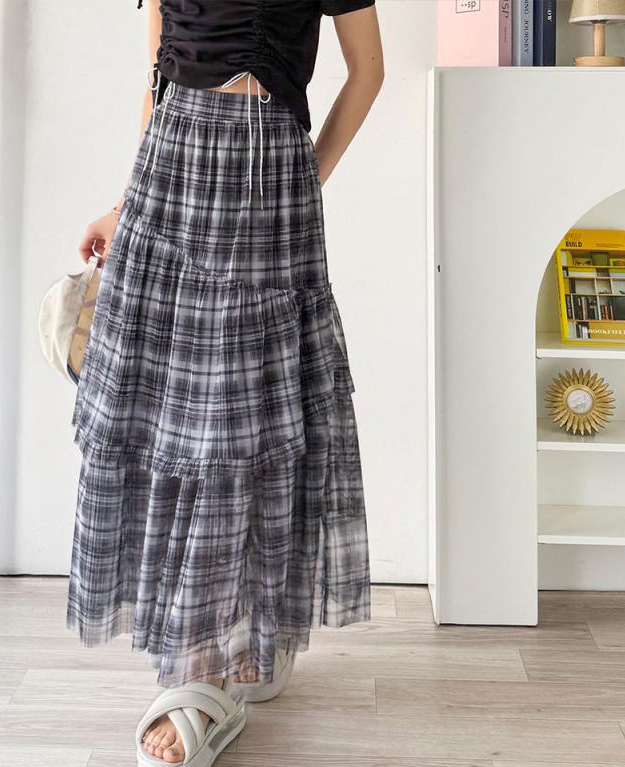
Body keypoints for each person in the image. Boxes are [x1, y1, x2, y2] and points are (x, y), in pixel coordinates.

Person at [69, 1, 383, 764]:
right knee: (179, 418)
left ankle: (243, 637)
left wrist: (305, 175)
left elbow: (368, 73)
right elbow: (159, 75)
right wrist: (124, 204)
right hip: (171, 168)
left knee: (250, 419)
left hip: (271, 174)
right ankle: (201, 662)